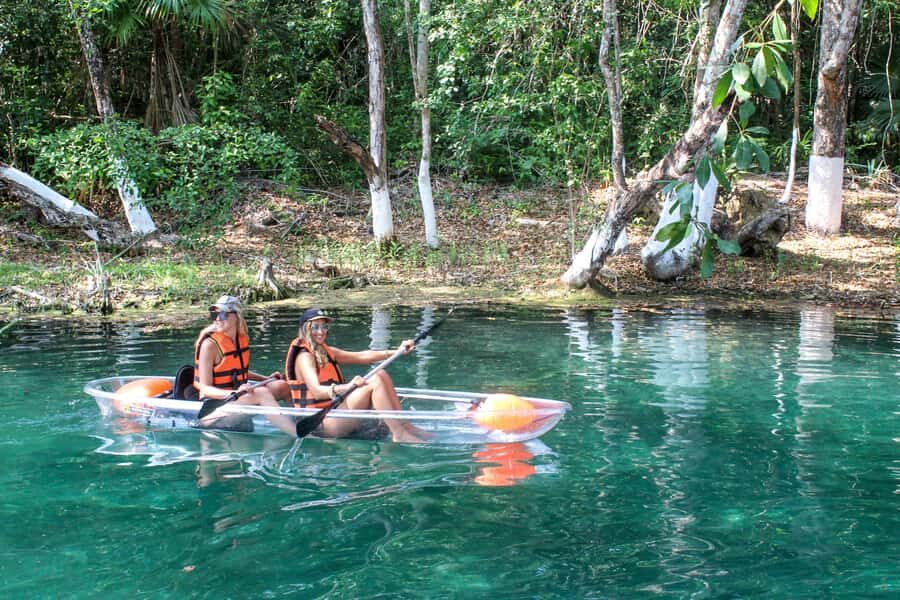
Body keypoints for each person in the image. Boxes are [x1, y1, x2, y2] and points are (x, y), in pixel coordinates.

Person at [285, 308, 428, 442]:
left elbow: (363, 356)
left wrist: (398, 351)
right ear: (305, 329)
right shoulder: (304, 357)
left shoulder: (326, 351)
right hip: (322, 423)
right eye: (315, 327)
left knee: (381, 374)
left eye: (324, 327)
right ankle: (399, 434)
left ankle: (404, 425)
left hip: (336, 412)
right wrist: (349, 386)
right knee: (376, 381)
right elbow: (316, 392)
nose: (321, 331)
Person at [194, 295, 296, 435]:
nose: (218, 318)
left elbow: (236, 371)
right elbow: (205, 389)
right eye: (215, 314)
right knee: (261, 393)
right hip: (211, 411)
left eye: (223, 314)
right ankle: (298, 434)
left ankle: (303, 422)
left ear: (236, 316)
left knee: (282, 386)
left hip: (238, 400)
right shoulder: (209, 345)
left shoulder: (241, 339)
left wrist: (265, 378)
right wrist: (235, 393)